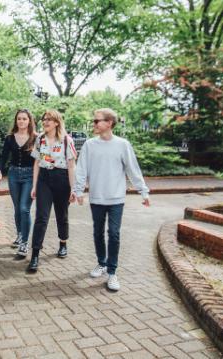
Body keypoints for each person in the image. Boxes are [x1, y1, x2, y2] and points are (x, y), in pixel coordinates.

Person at [74, 108, 150, 292]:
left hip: (116, 198)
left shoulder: (122, 144)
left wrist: (143, 191)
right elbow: (81, 169)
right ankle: (101, 262)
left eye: (97, 121)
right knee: (98, 232)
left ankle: (112, 272)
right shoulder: (90, 145)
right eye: (94, 121)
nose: (94, 124)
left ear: (109, 123)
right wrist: (78, 191)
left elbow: (133, 169)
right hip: (96, 197)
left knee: (114, 233)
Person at [26, 110, 77, 273]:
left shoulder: (66, 140)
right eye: (44, 119)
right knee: (41, 217)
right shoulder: (40, 139)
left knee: (62, 215)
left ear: (56, 122)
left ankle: (63, 243)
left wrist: (73, 188)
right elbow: (36, 163)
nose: (45, 122)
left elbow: (71, 165)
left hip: (61, 179)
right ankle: (35, 254)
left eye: (49, 119)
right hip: (44, 179)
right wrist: (34, 186)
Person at [0, 109, 37, 259]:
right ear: (16, 121)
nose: (21, 121)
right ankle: (19, 234)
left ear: (29, 121)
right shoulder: (10, 138)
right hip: (13, 175)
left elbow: (39, 160)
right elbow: (4, 156)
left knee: (25, 209)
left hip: (29, 175)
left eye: (24, 119)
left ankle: (24, 243)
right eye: (19, 119)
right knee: (17, 208)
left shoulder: (36, 138)